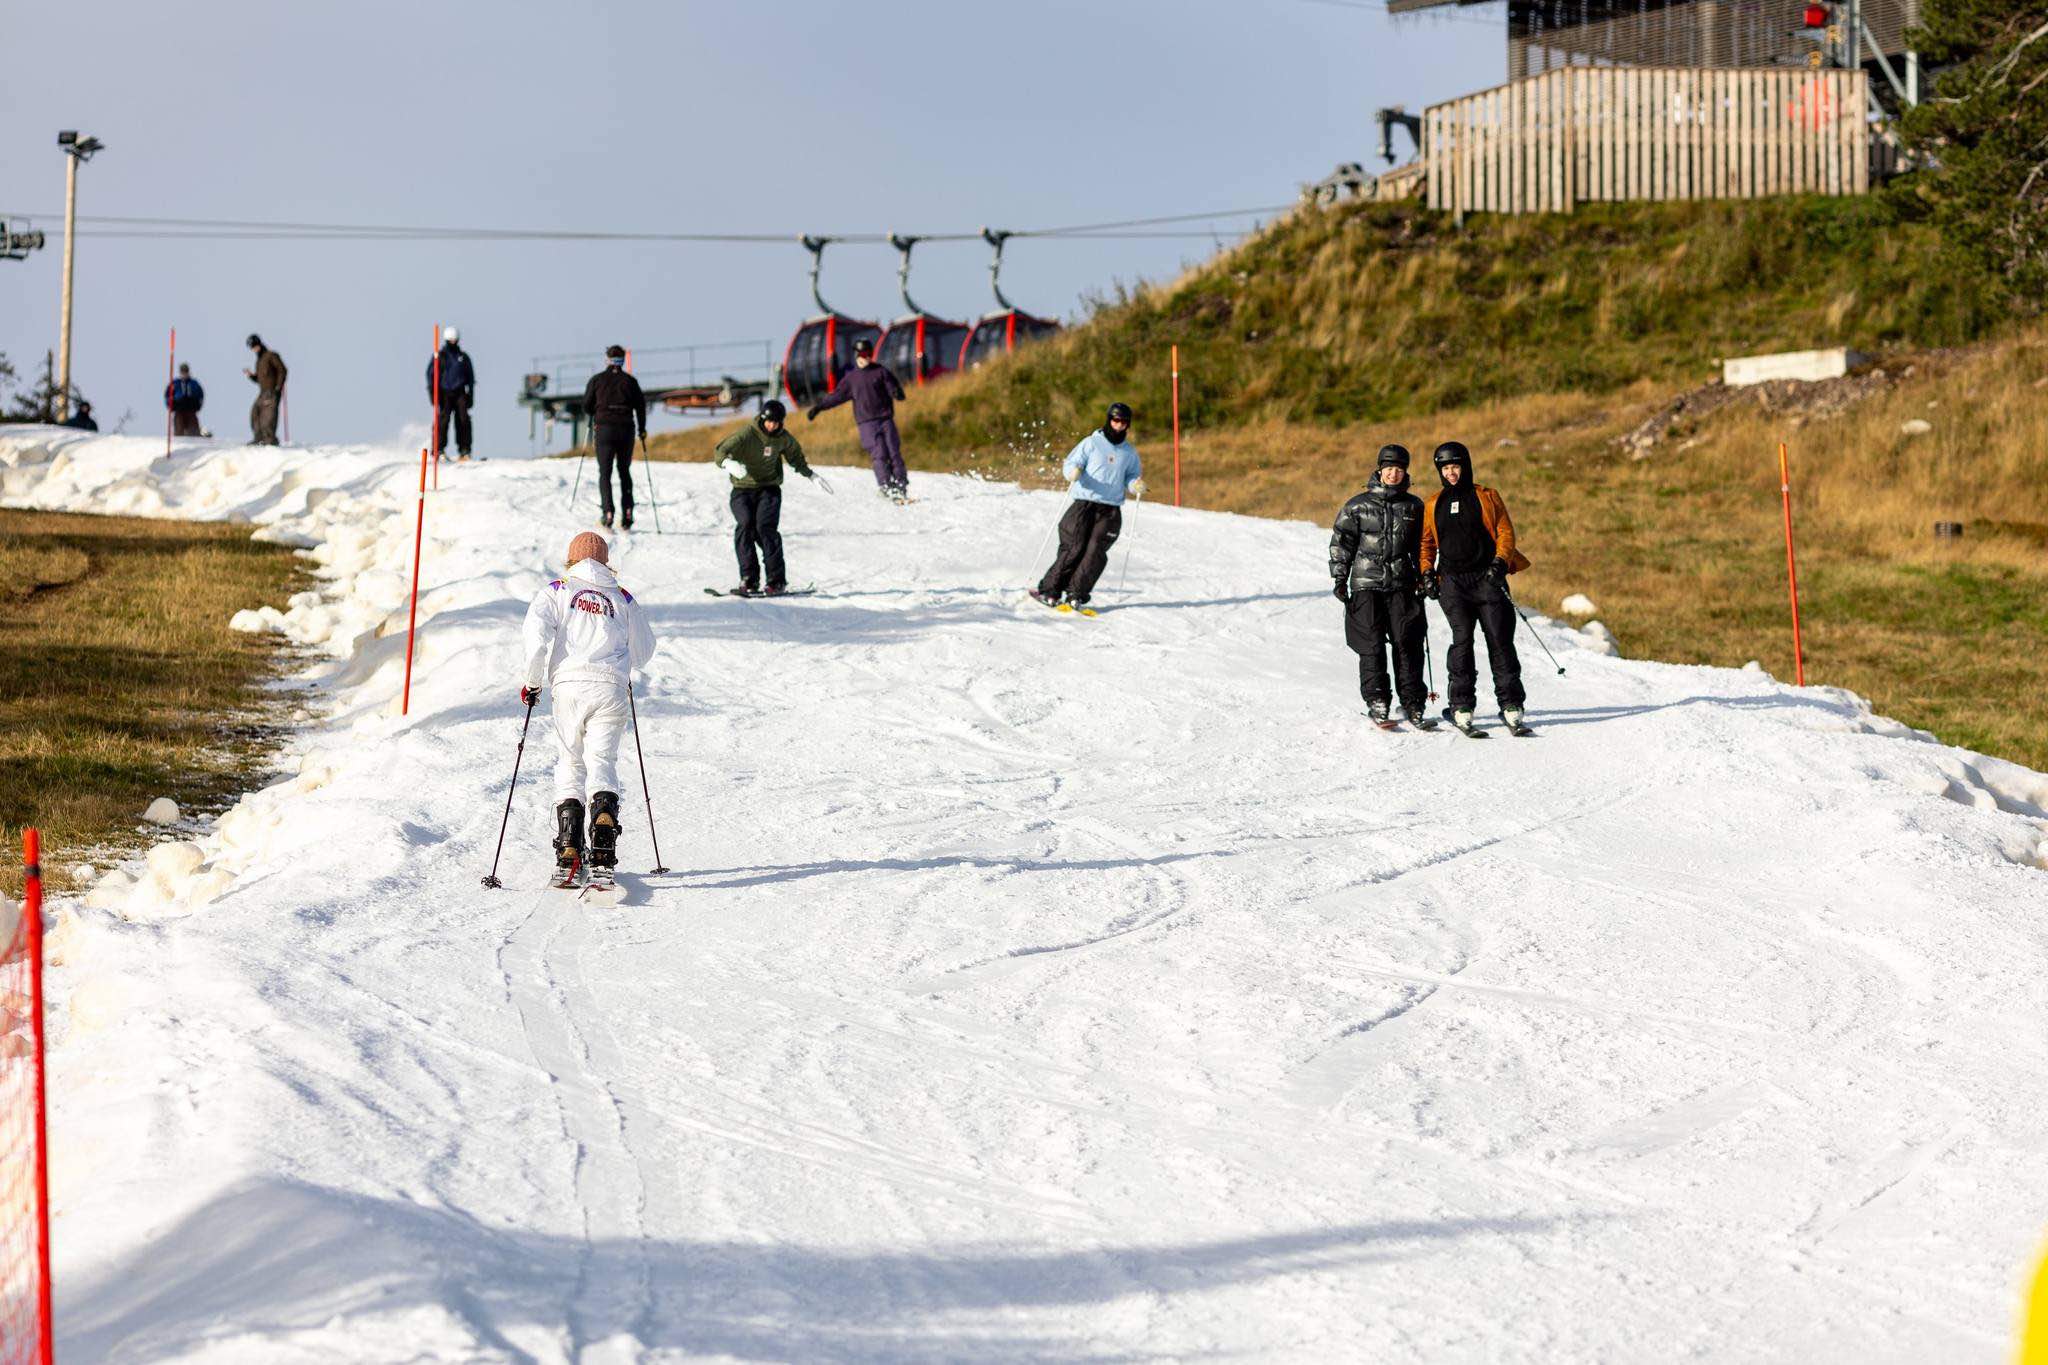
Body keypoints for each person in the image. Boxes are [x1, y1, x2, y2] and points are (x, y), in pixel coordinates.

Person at [521, 531, 655, 882]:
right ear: (605, 561)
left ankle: (568, 845)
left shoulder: (557, 590)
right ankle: (604, 834)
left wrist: (533, 681)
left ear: (572, 559)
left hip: (569, 687)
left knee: (570, 760)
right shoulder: (623, 597)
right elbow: (644, 653)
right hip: (610, 686)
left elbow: (536, 640)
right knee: (601, 761)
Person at [1419, 440, 1530, 733]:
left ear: (1465, 466)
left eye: (1455, 466)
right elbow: (1426, 544)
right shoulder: (1433, 503)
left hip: (1487, 579)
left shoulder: (1487, 496)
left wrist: (1500, 562)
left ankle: (1511, 705)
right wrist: (1427, 572)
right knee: (1462, 642)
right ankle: (1462, 707)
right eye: (1445, 468)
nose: (1451, 473)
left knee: (1500, 641)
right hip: (1453, 583)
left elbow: (1505, 532)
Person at [1330, 444, 1430, 727]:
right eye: (1389, 469)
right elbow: (1342, 543)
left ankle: (1412, 704)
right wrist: (1340, 577)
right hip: (1366, 585)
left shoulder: (1414, 506)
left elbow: (1423, 546)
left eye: (1399, 469)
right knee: (1371, 646)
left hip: (1403, 585)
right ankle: (1378, 701)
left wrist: (1425, 575)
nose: (1394, 474)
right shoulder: (1357, 505)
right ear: (1379, 470)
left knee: (1407, 645)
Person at [1030, 402, 1145, 616]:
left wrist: (1134, 485)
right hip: (1085, 504)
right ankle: (1050, 590)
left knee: (1095, 552)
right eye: (1115, 420)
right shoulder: (1092, 443)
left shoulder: (1129, 452)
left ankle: (1076, 594)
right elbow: (1071, 463)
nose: (1118, 425)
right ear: (1109, 419)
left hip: (1110, 509)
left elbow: (1131, 476)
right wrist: (1072, 472)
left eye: (1123, 422)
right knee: (1074, 547)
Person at [713, 398, 817, 596]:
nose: (772, 426)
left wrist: (810, 474)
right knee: (745, 525)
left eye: (777, 423)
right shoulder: (747, 434)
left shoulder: (782, 438)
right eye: (769, 421)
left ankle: (776, 581)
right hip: (742, 490)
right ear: (762, 418)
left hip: (769, 489)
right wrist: (727, 463)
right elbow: (720, 451)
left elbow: (795, 456)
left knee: (765, 529)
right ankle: (749, 578)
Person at [805, 336, 910, 501]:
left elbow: (892, 386)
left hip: (885, 419)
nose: (867, 356)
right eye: (863, 353)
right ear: (856, 354)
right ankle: (886, 487)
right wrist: (818, 407)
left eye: (869, 352)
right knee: (880, 455)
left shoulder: (881, 371)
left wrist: (897, 393)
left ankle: (901, 486)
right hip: (867, 423)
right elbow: (836, 396)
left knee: (894, 454)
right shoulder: (852, 379)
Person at [581, 345, 646, 529]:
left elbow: (586, 405)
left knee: (605, 472)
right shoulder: (630, 382)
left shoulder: (597, 380)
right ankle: (627, 513)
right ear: (623, 360)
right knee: (624, 471)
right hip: (626, 429)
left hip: (605, 430)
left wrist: (596, 409)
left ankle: (608, 512)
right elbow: (640, 406)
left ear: (607, 359)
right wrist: (642, 430)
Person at [428, 326, 477, 461]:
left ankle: (464, 450)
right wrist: (433, 394)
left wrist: (471, 394)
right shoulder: (440, 356)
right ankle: (439, 450)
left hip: (460, 393)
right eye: (451, 340)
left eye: (455, 340)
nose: (453, 343)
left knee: (463, 419)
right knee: (443, 420)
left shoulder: (463, 357)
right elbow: (431, 375)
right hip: (444, 393)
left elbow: (471, 377)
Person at [243, 334, 287, 446]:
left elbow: (282, 370)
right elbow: (259, 379)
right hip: (263, 392)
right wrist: (251, 376)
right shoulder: (259, 361)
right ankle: (259, 439)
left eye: (255, 345)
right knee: (255, 413)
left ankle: (270, 441)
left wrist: (278, 387)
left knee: (268, 418)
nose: (254, 348)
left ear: (259, 344)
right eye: (252, 347)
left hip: (272, 391)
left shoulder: (271, 355)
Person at [164, 364, 205, 437]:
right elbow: (167, 396)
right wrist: (171, 405)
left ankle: (195, 443)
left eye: (186, 371)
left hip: (191, 411)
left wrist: (197, 405)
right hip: (179, 410)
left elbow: (200, 396)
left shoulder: (194, 383)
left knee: (193, 431)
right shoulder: (175, 383)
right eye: (183, 372)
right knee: (179, 430)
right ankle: (180, 443)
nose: (184, 374)